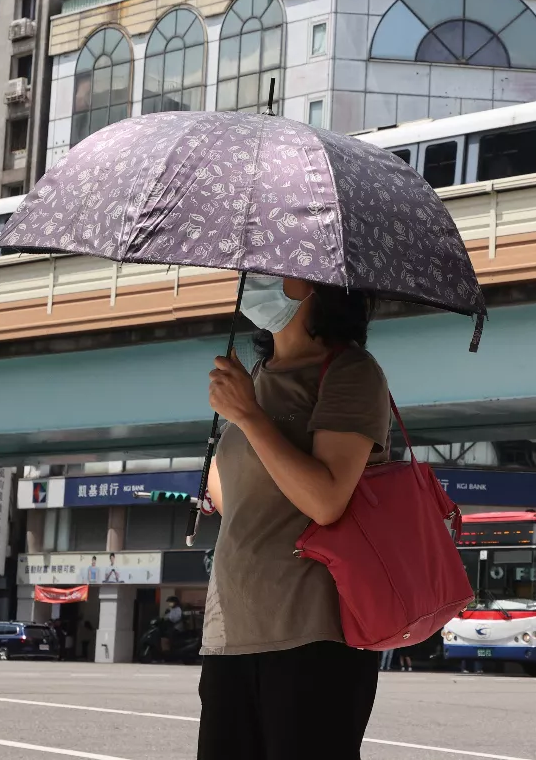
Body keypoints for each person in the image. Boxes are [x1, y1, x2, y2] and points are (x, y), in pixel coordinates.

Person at [198, 276, 390, 759]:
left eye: (274, 265)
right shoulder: (256, 374)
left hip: (312, 633)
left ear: (318, 284)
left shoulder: (350, 372)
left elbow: (326, 499)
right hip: (233, 631)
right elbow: (240, 494)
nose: (258, 275)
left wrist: (249, 417)